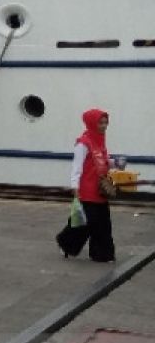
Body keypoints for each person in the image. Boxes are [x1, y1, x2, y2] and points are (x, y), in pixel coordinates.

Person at [56, 109, 115, 263]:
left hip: (100, 189)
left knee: (103, 224)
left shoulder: (100, 140)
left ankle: (102, 254)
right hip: (87, 190)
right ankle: (65, 243)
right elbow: (77, 167)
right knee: (85, 223)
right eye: (100, 123)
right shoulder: (83, 143)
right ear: (91, 123)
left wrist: (116, 163)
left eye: (105, 122)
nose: (104, 126)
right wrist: (75, 186)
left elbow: (104, 160)